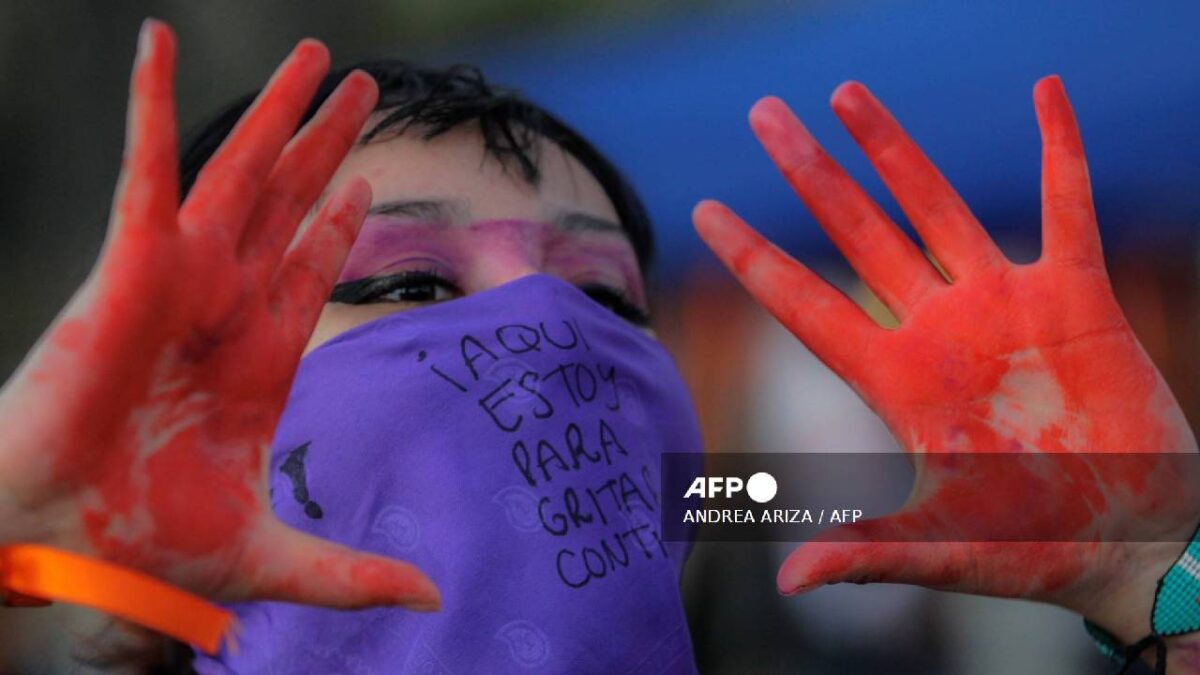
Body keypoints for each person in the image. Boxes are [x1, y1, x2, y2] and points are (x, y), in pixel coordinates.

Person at [0, 17, 1197, 674]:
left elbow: (840, 491)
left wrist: (1156, 566)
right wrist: (16, 531)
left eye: (610, 300)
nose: (542, 333)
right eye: (412, 280)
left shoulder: (703, 491)